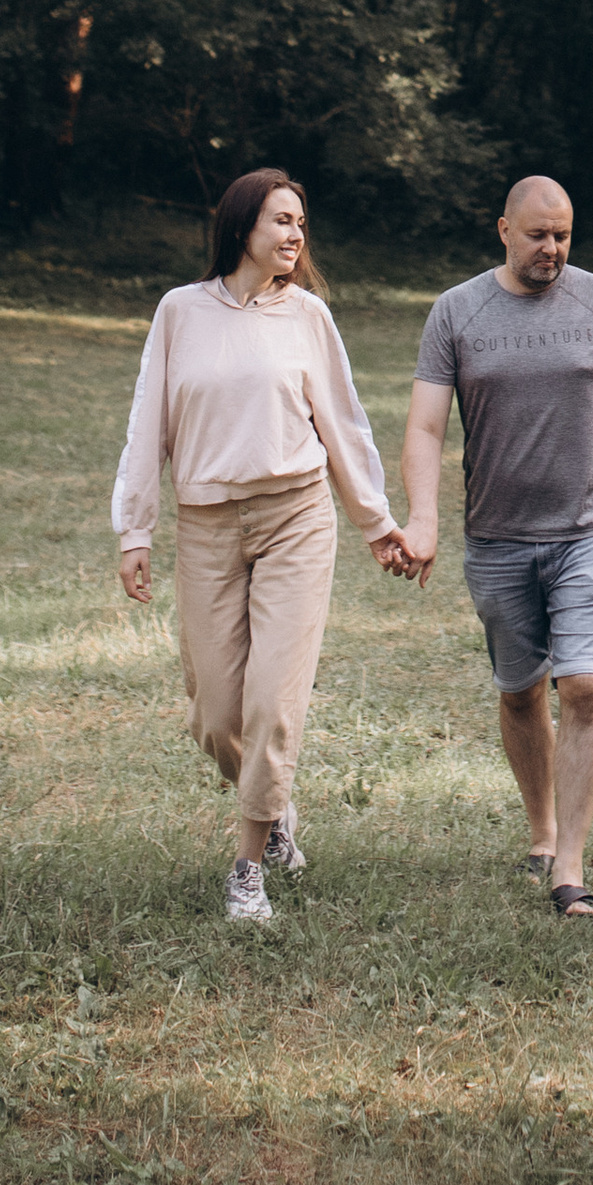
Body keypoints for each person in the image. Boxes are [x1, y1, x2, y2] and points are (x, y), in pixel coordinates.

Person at [111, 166, 408, 925]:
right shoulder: (180, 312)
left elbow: (343, 423)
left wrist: (376, 524)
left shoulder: (306, 315)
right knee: (216, 717)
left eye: (300, 223)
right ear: (242, 225)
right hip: (207, 522)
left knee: (273, 703)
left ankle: (248, 868)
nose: (295, 235)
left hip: (295, 518)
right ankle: (274, 806)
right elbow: (152, 419)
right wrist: (134, 527)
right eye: (281, 220)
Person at [396, 176, 593, 922]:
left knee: (583, 685)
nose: (552, 249)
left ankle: (572, 867)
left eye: (563, 235)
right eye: (538, 235)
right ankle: (542, 828)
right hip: (497, 537)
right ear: (504, 231)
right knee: (520, 692)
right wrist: (422, 519)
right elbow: (425, 428)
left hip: (591, 527)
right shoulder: (457, 311)